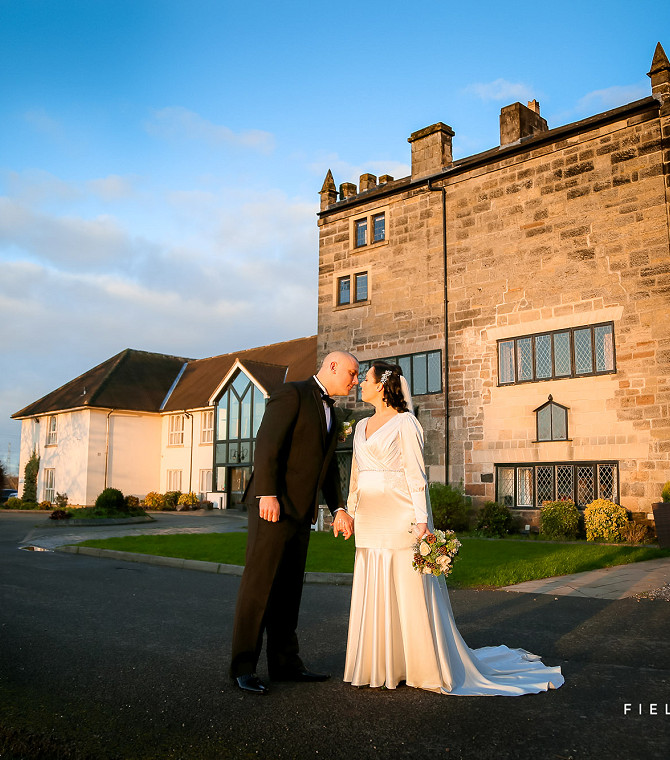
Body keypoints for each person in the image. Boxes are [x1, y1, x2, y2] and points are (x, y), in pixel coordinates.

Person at [343, 361, 564, 695]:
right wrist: (349, 512)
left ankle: (419, 664)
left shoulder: (406, 423)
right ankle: (378, 662)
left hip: (401, 516)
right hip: (370, 519)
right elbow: (356, 476)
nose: (361, 383)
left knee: (407, 586)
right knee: (373, 578)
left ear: (383, 384)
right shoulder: (359, 427)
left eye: (366, 379)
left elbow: (416, 476)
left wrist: (421, 523)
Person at [230, 351, 359, 695]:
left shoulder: (333, 411)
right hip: (272, 508)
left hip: (302, 513)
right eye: (352, 372)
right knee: (259, 589)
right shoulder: (292, 393)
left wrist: (339, 508)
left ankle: (285, 664)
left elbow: (328, 467)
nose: (355, 379)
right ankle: (243, 668)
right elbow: (267, 443)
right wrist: (267, 493)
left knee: (289, 592)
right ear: (332, 366)